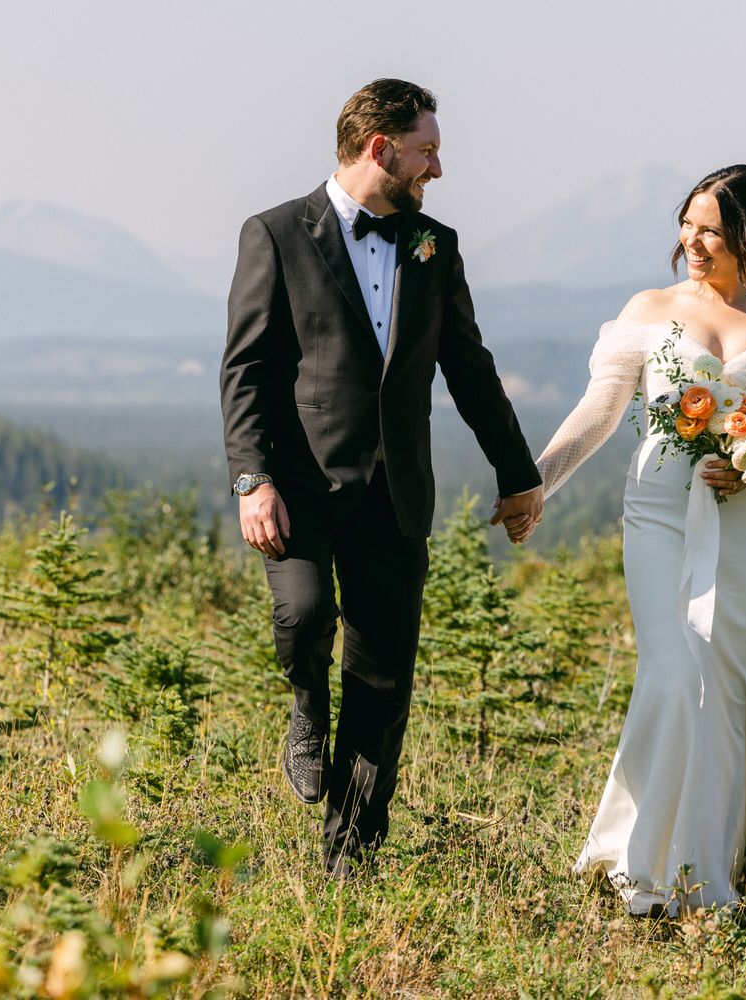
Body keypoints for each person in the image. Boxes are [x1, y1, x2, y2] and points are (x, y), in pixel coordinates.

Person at [219, 79, 545, 875]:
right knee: (302, 618)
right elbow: (247, 369)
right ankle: (304, 707)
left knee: (383, 678)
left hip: (396, 495)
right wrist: (252, 478)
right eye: (428, 149)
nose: (438, 166)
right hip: (296, 488)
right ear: (381, 148)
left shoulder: (437, 244)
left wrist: (518, 472)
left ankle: (350, 859)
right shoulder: (273, 233)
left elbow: (469, 367)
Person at [534, 164, 746, 915]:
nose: (692, 242)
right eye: (687, 224)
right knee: (676, 674)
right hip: (661, 514)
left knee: (727, 688)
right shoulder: (650, 307)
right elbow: (601, 411)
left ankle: (712, 861)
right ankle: (645, 860)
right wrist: (537, 483)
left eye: (711, 229)